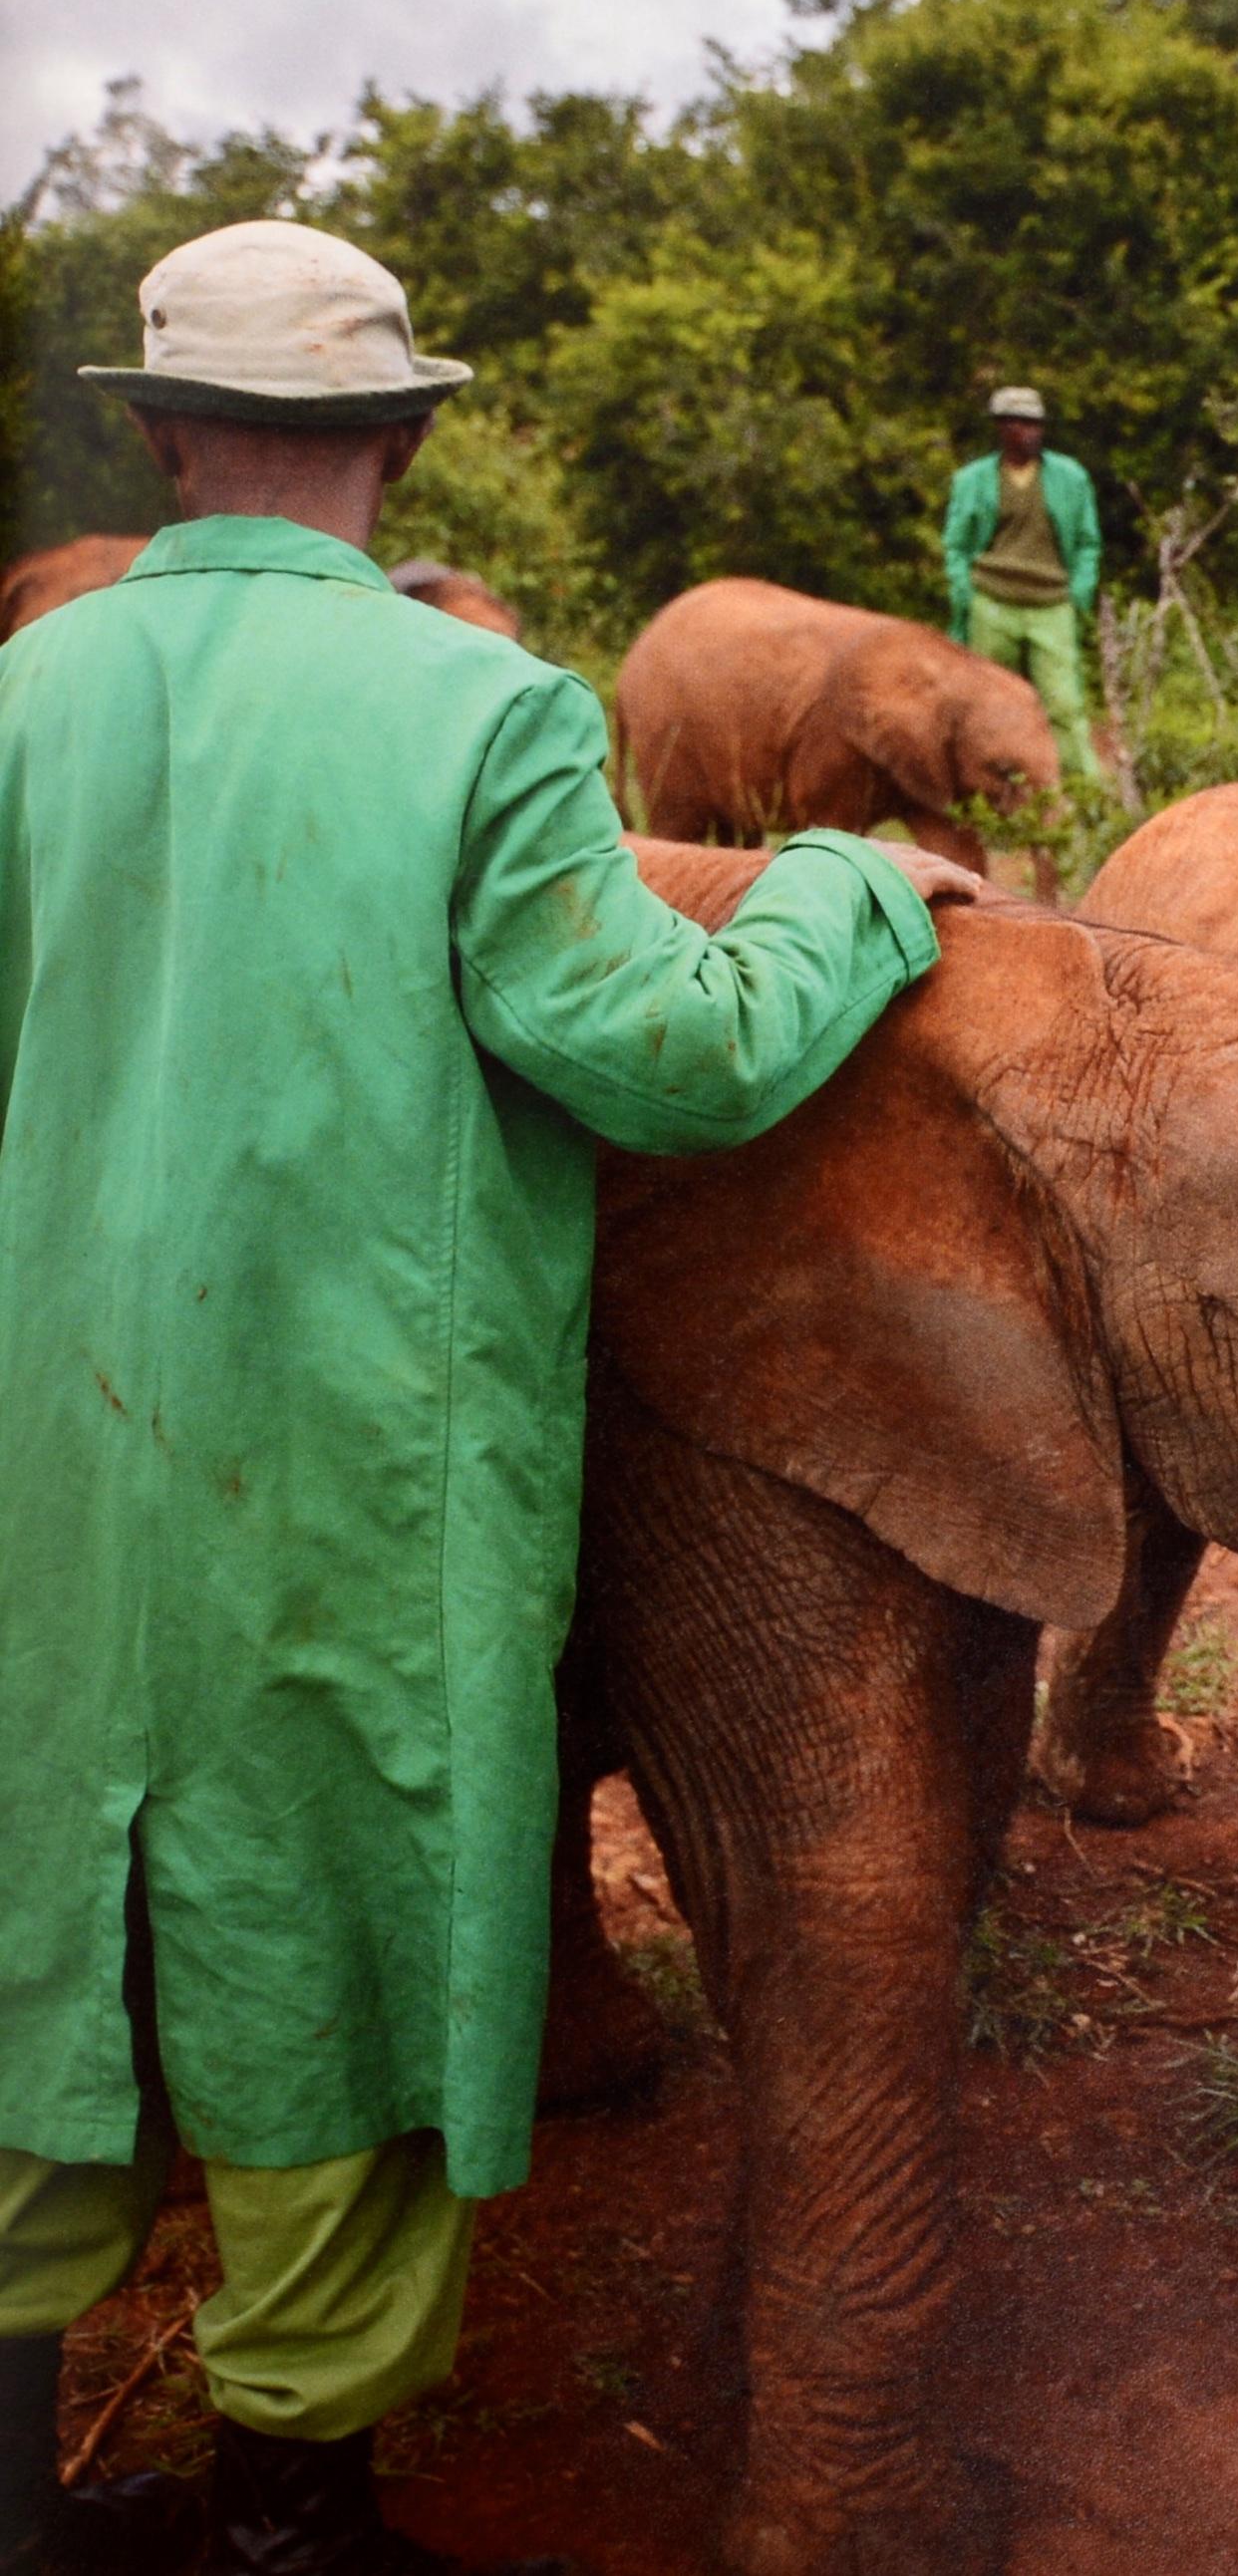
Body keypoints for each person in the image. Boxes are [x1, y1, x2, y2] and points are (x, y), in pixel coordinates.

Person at [1, 221, 964, 2576]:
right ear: (408, 435)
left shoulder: (24, 694)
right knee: (334, 1907)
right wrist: (847, 887)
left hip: (47, 1437)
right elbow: (671, 1044)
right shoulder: (485, 711)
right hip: (343, 1452)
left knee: (39, 1876)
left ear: (153, 432)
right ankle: (287, 2510)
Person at [941, 383, 1102, 786]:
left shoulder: (1069, 477)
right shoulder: (974, 480)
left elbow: (1087, 541)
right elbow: (956, 544)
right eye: (1015, 423)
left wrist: (1079, 592)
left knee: (1063, 702)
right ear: (1001, 428)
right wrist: (965, 591)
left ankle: (1080, 791)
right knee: (988, 704)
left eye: (1033, 423)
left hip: (1051, 601)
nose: (1026, 432)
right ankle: (987, 790)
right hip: (992, 600)